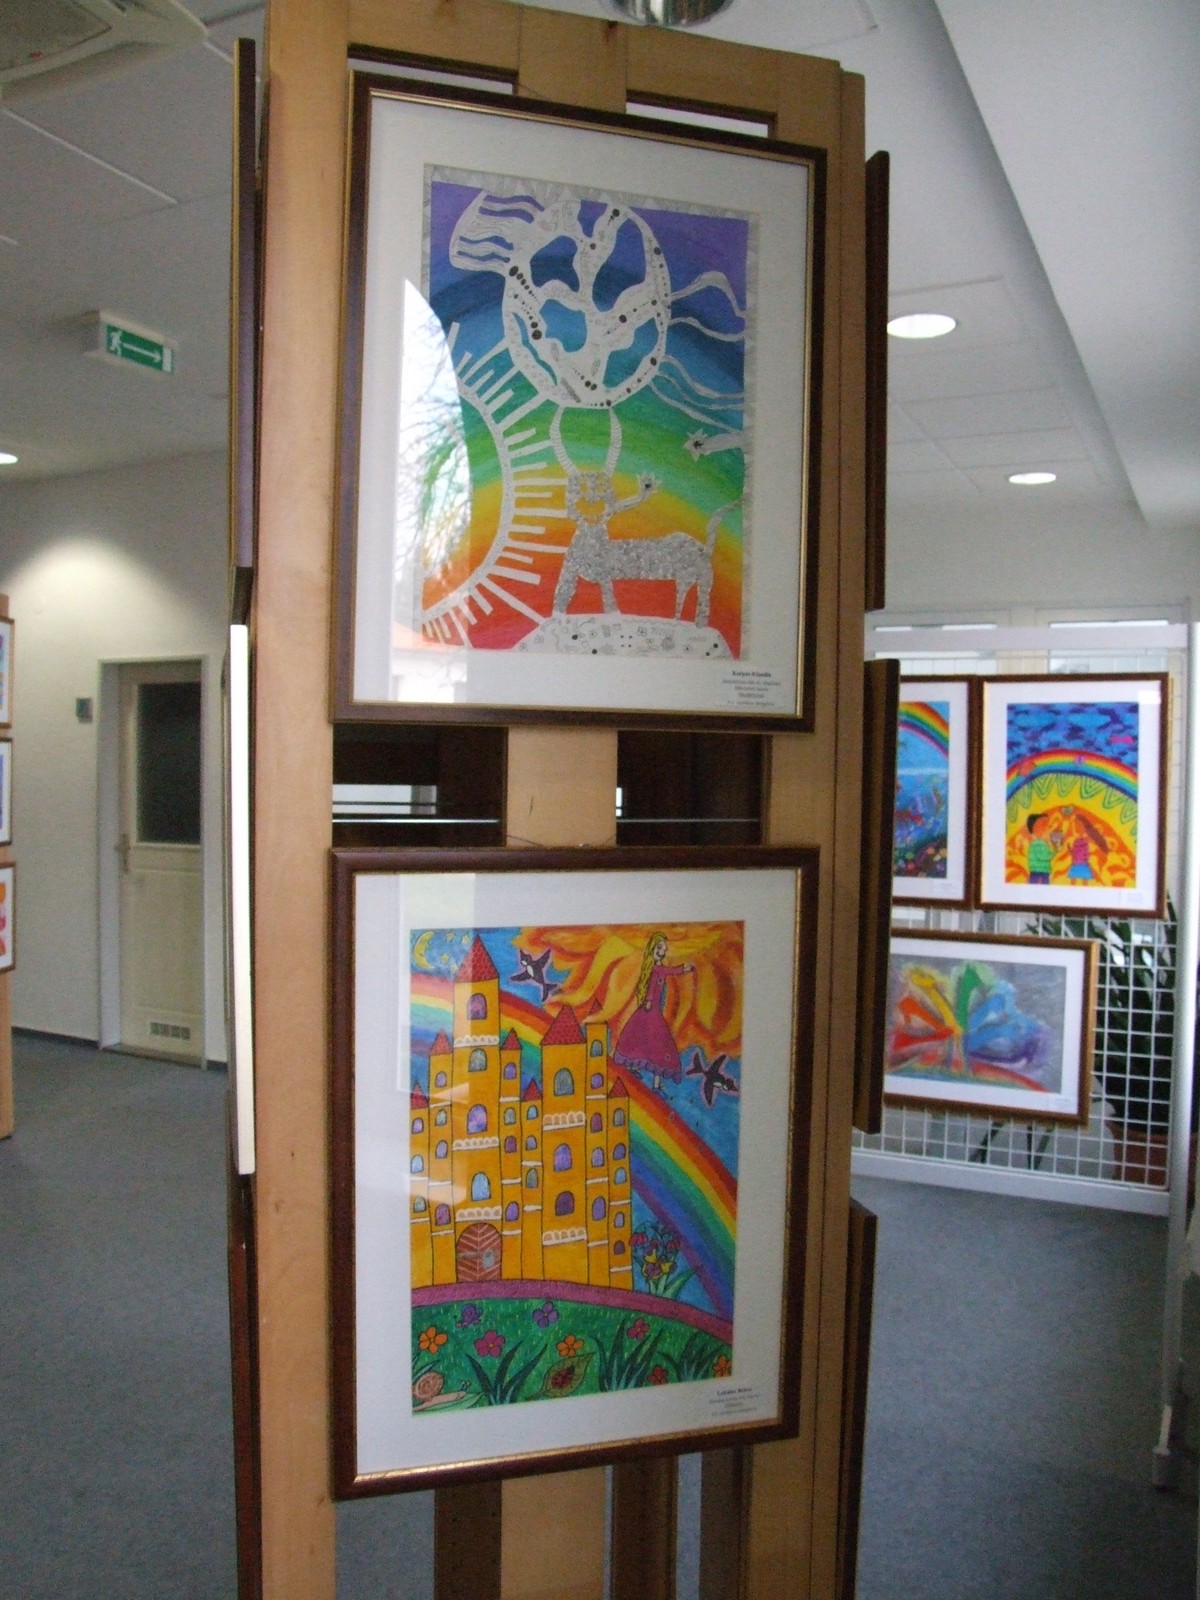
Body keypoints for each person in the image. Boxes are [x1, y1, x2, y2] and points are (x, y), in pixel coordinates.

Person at [613, 931, 693, 1091]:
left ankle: (650, 1080)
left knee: (646, 1040)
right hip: (650, 1010)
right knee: (657, 1043)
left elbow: (668, 972)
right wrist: (649, 1000)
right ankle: (651, 1081)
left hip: (650, 1010)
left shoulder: (657, 968)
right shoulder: (656, 969)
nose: (664, 951)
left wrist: (684, 969)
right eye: (660, 948)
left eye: (664, 948)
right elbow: (656, 982)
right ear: (654, 949)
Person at [1024, 812, 1053, 885]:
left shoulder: (1040, 842)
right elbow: (1045, 857)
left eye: (1047, 824)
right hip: (1040, 870)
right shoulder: (1037, 843)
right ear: (1035, 827)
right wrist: (1055, 850)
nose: (1047, 827)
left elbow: (1046, 855)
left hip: (1040, 870)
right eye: (1044, 824)